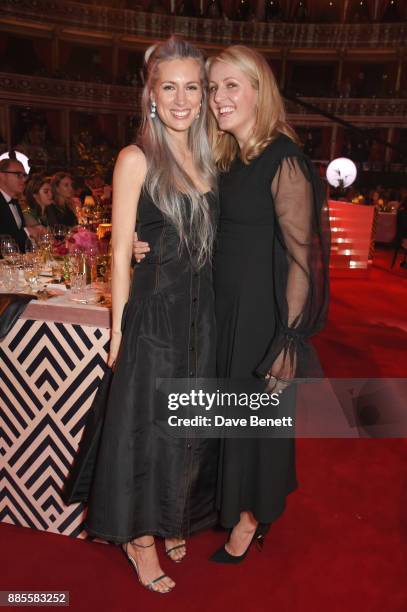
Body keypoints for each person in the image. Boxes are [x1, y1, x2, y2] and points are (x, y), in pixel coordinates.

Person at [134, 45, 330, 563]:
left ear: (259, 91)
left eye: (231, 86)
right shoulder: (226, 156)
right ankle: (230, 505)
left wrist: (288, 338)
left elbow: (301, 259)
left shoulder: (283, 157)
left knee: (256, 422)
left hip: (261, 314)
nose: (219, 98)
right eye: (214, 87)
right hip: (220, 307)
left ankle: (251, 518)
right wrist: (140, 242)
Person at [62, 37, 218, 593]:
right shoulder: (135, 158)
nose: (181, 99)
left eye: (192, 87)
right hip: (155, 317)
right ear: (150, 94)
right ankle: (139, 538)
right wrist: (118, 331)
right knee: (146, 432)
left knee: (189, 426)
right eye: (168, 87)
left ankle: (171, 515)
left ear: (203, 96)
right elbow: (119, 252)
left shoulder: (210, 156)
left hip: (205, 320)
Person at [0, 156, 30, 252]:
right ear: (2, 175)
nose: (24, 180)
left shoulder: (15, 202)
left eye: (24, 175)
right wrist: (29, 231)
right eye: (18, 175)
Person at [23, 173, 53, 238]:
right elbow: (41, 238)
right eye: (46, 192)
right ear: (35, 195)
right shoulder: (27, 215)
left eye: (51, 191)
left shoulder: (50, 211)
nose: (51, 195)